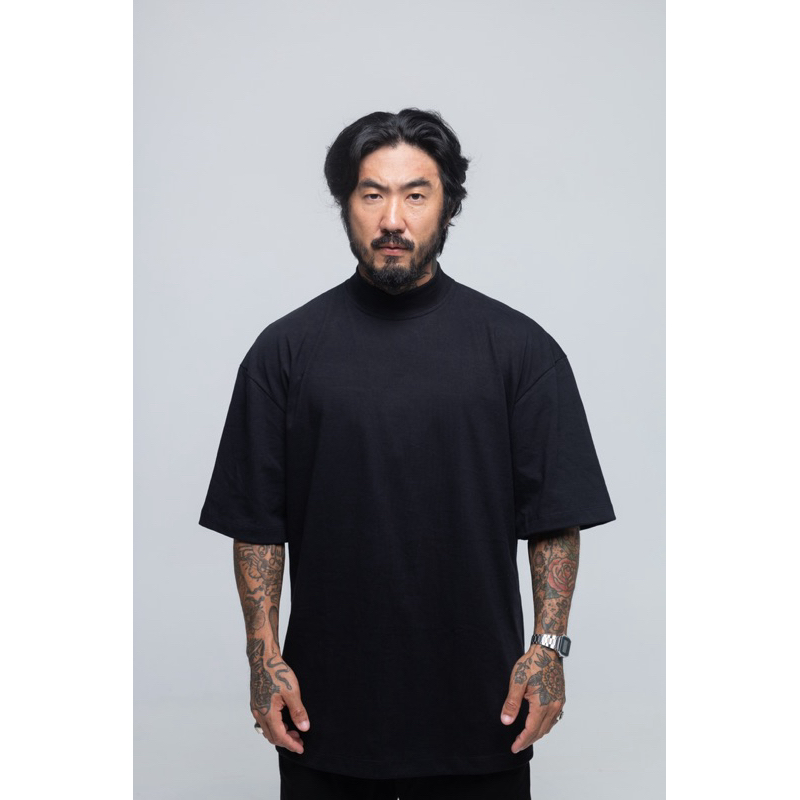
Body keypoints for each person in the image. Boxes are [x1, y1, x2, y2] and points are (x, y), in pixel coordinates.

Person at [199, 108, 616, 800]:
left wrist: (549, 651)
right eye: (373, 194)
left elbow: (554, 519)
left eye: (415, 195)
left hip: (485, 721)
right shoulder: (284, 354)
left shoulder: (521, 351)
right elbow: (257, 525)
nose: (392, 219)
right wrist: (261, 657)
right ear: (346, 205)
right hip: (322, 723)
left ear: (447, 206)